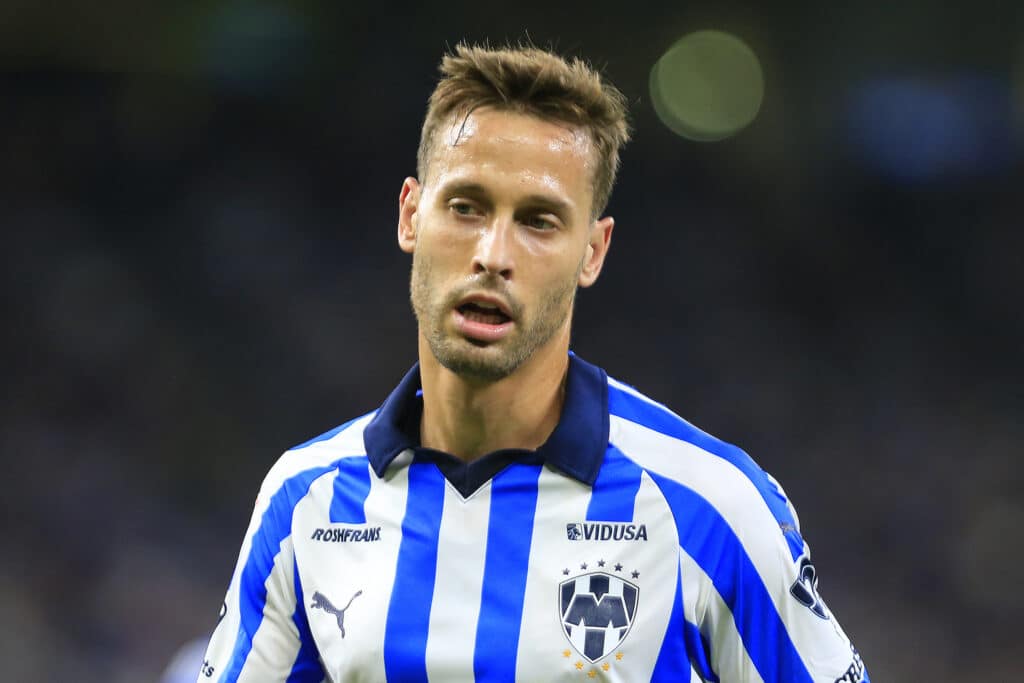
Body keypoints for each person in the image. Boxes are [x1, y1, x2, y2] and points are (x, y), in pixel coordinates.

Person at [199, 43, 869, 683]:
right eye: (466, 207)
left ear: (593, 252)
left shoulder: (706, 506)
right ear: (411, 215)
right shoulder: (308, 502)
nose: (493, 254)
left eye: (539, 221)